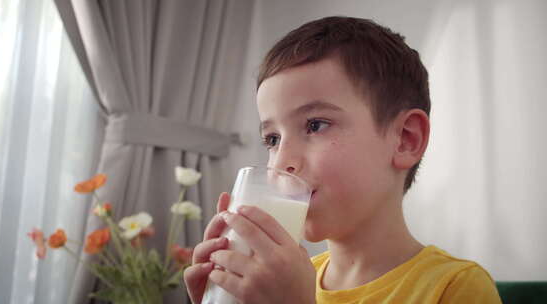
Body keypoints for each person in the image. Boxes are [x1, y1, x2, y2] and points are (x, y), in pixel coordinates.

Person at [184, 16, 502, 303]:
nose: (281, 162)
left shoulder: (454, 288)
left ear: (406, 139)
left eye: (315, 125)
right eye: (273, 139)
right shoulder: (278, 283)